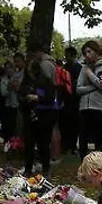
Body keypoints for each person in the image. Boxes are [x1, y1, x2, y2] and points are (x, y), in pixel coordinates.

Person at [20, 42, 60, 177]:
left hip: (44, 116)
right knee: (29, 144)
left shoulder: (46, 81)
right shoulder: (26, 82)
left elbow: (51, 97)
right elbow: (21, 94)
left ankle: (46, 168)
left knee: (43, 144)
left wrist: (37, 98)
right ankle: (28, 168)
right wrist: (25, 98)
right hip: (30, 115)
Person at [76, 40, 102, 156]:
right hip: (84, 108)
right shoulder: (84, 68)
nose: (87, 55)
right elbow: (78, 89)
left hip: (99, 108)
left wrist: (91, 75)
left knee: (98, 140)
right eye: (85, 53)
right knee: (83, 140)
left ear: (96, 51)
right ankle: (83, 162)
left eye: (89, 51)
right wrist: (93, 87)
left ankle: (99, 163)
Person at [60, 45, 82, 158]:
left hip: (75, 100)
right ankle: (66, 145)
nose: (66, 57)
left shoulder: (78, 68)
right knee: (66, 124)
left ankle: (72, 146)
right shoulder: (64, 68)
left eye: (68, 55)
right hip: (66, 100)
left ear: (73, 56)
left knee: (74, 125)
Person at [0, 62, 19, 148]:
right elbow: (3, 93)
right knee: (8, 127)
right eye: (7, 68)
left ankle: (16, 146)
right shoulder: (3, 80)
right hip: (8, 106)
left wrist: (15, 87)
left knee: (16, 128)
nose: (9, 70)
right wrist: (10, 88)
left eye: (10, 67)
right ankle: (7, 145)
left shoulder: (17, 77)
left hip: (17, 105)